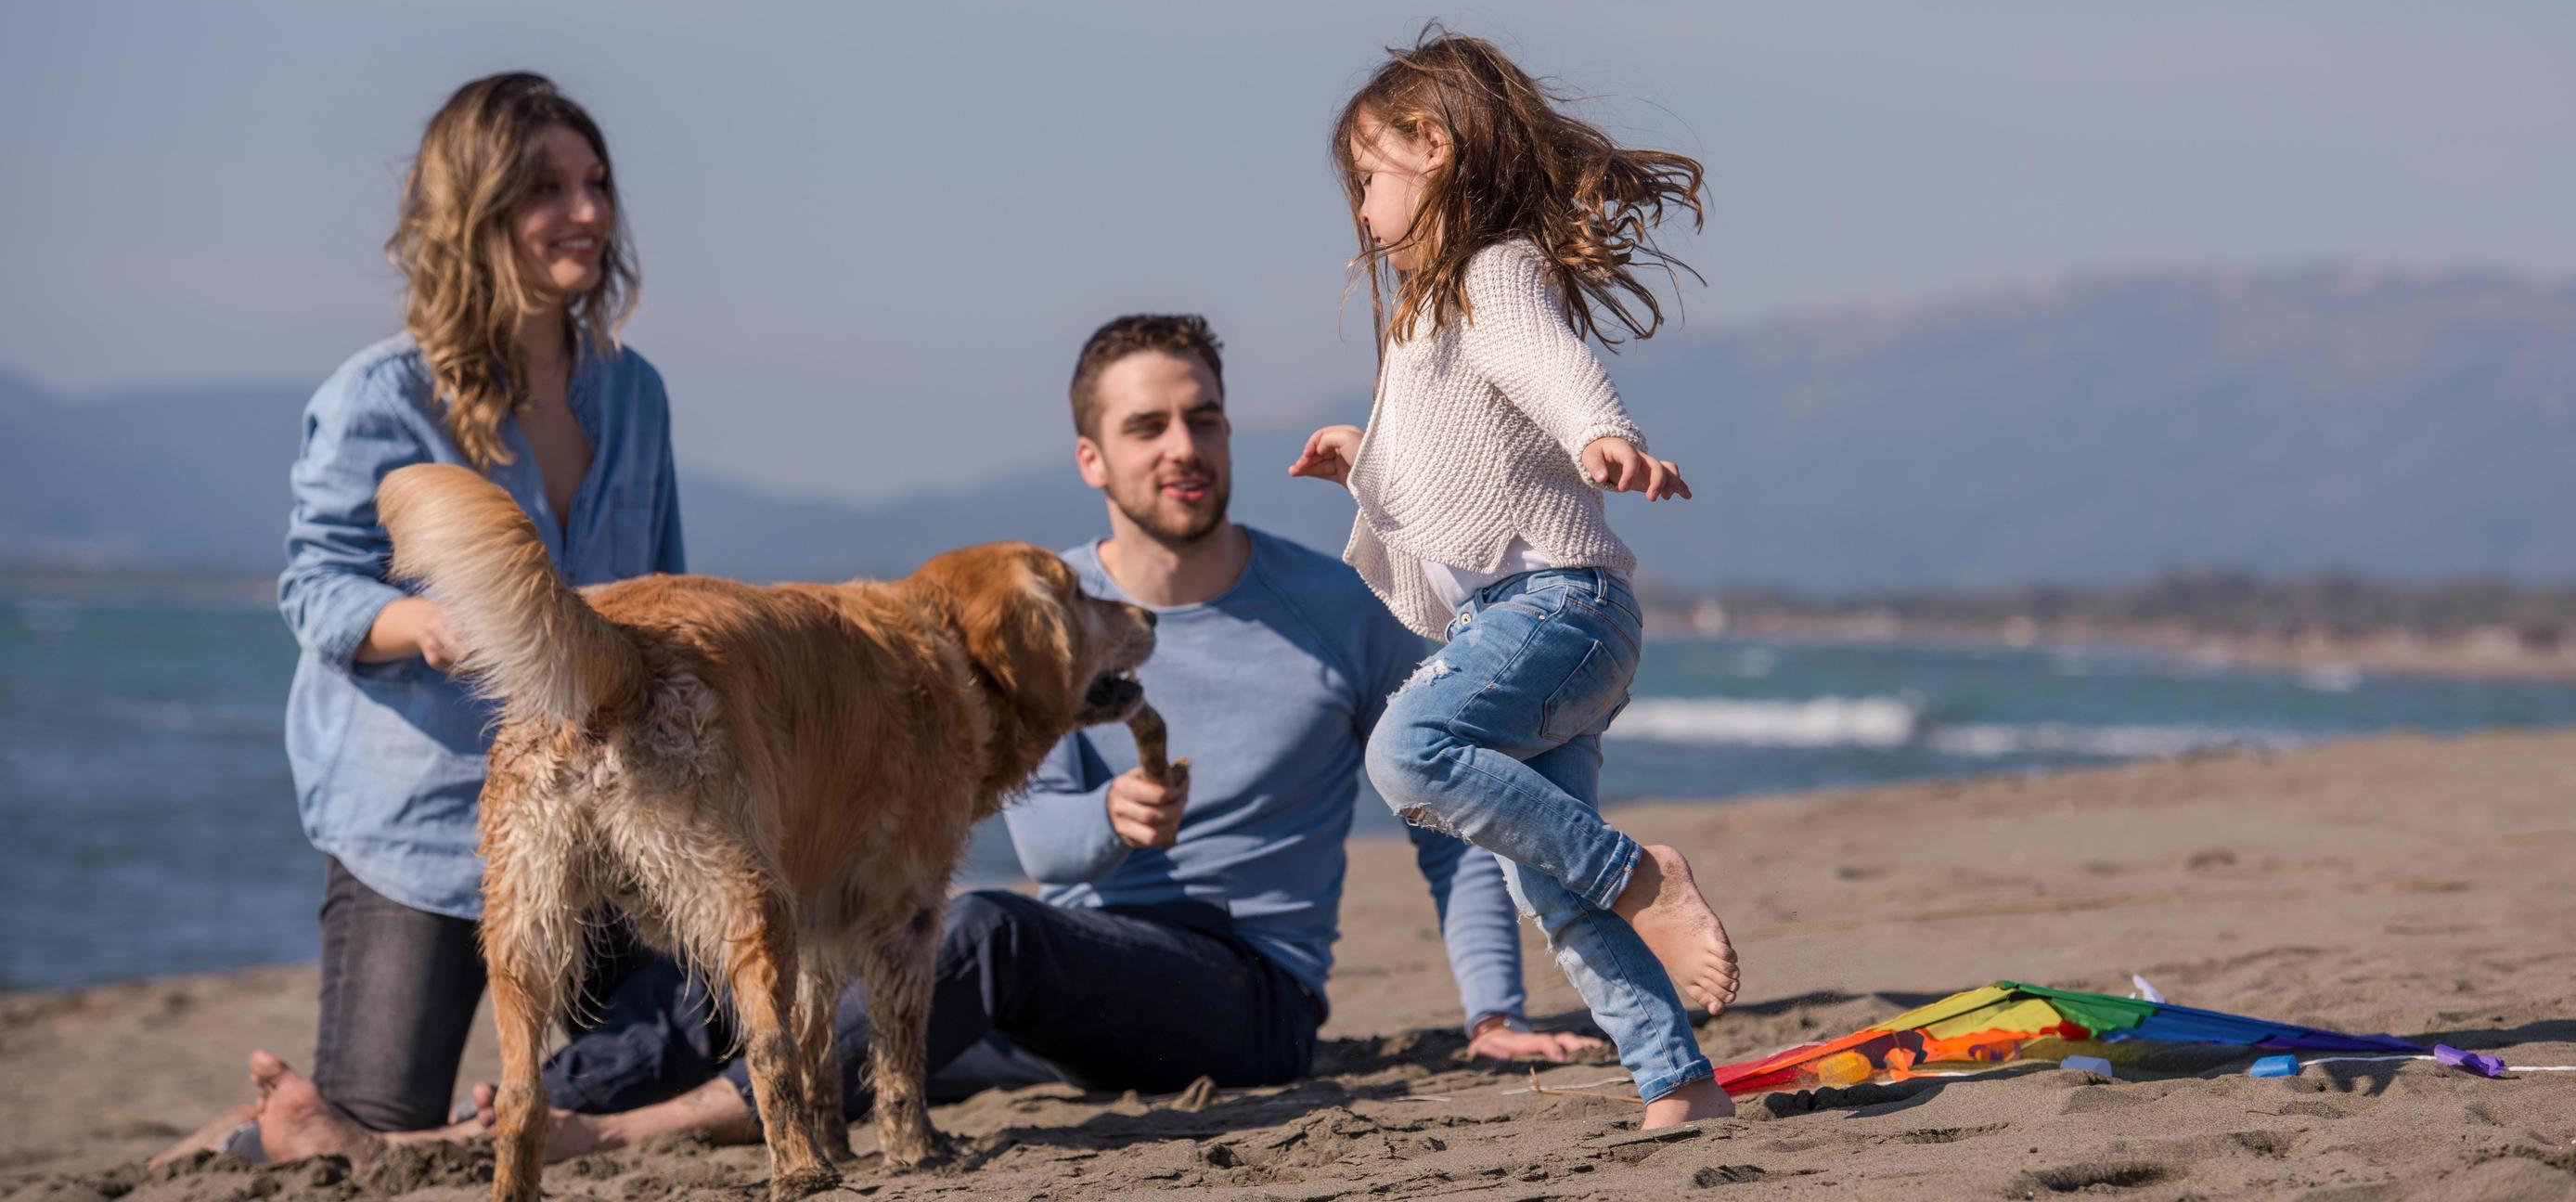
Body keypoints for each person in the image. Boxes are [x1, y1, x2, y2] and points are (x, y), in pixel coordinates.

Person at [224, 313, 1594, 1169]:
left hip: (1241, 989)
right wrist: (1100, 821)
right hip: (1056, 993)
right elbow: (1001, 825)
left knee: (972, 937)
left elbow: (1452, 807)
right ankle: (489, 1112)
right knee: (760, 940)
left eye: (1204, 418)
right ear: (1091, 459)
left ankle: (599, 1128)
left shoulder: (1339, 605)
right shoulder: (1034, 609)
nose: (1184, 447)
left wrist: (1489, 1009)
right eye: (1147, 425)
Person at [170, 73, 686, 1165]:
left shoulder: (635, 393)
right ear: (476, 210)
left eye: (596, 183)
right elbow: (316, 585)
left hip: (595, 824)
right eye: (548, 187)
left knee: (678, 1062)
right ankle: (237, 1145)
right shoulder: (380, 394)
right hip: (421, 824)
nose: (589, 212)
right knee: (364, 1128)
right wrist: (434, 627)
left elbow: (666, 591)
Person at [1287, 27, 1741, 1130]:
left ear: (1432, 145)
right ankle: (1678, 1083)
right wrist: (1366, 457)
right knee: (1553, 884)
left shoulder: (1491, 274)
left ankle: (1649, 880)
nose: (1361, 210)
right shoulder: (1427, 314)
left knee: (1407, 750)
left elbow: (1549, 364)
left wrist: (1603, 434)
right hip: (1531, 621)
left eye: (1368, 177)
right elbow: (1458, 458)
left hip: (1557, 610)